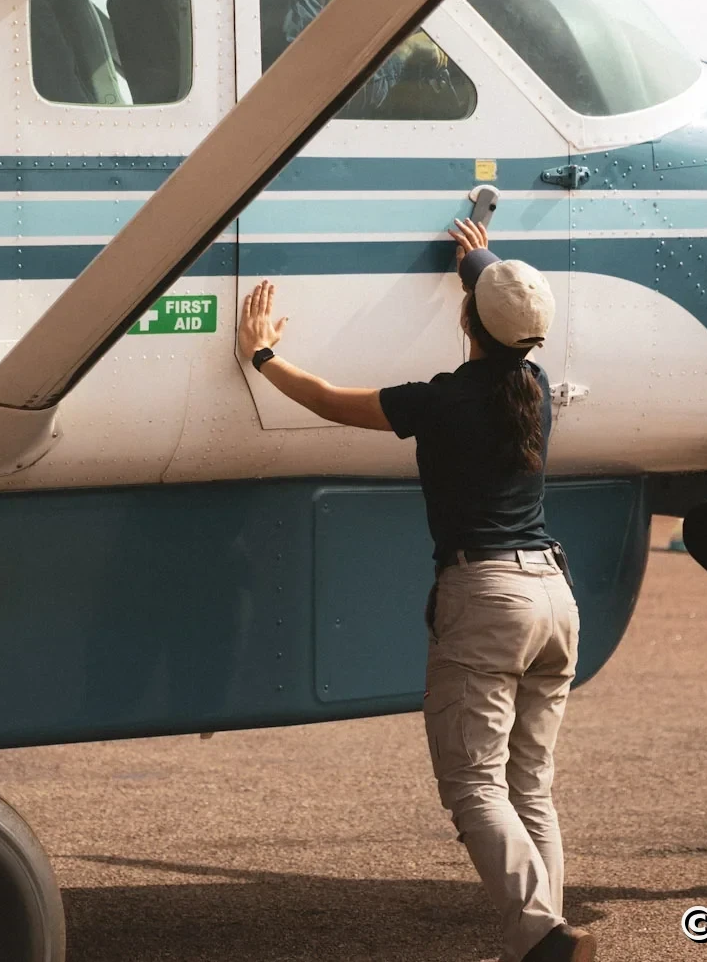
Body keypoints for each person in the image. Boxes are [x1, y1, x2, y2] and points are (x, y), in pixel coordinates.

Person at [234, 218, 593, 962]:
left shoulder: (443, 400)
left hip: (488, 598)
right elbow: (501, 311)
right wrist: (478, 260)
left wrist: (263, 354)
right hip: (555, 595)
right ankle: (541, 938)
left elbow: (333, 400)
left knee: (472, 785)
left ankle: (543, 936)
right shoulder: (535, 387)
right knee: (529, 785)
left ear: (469, 320)